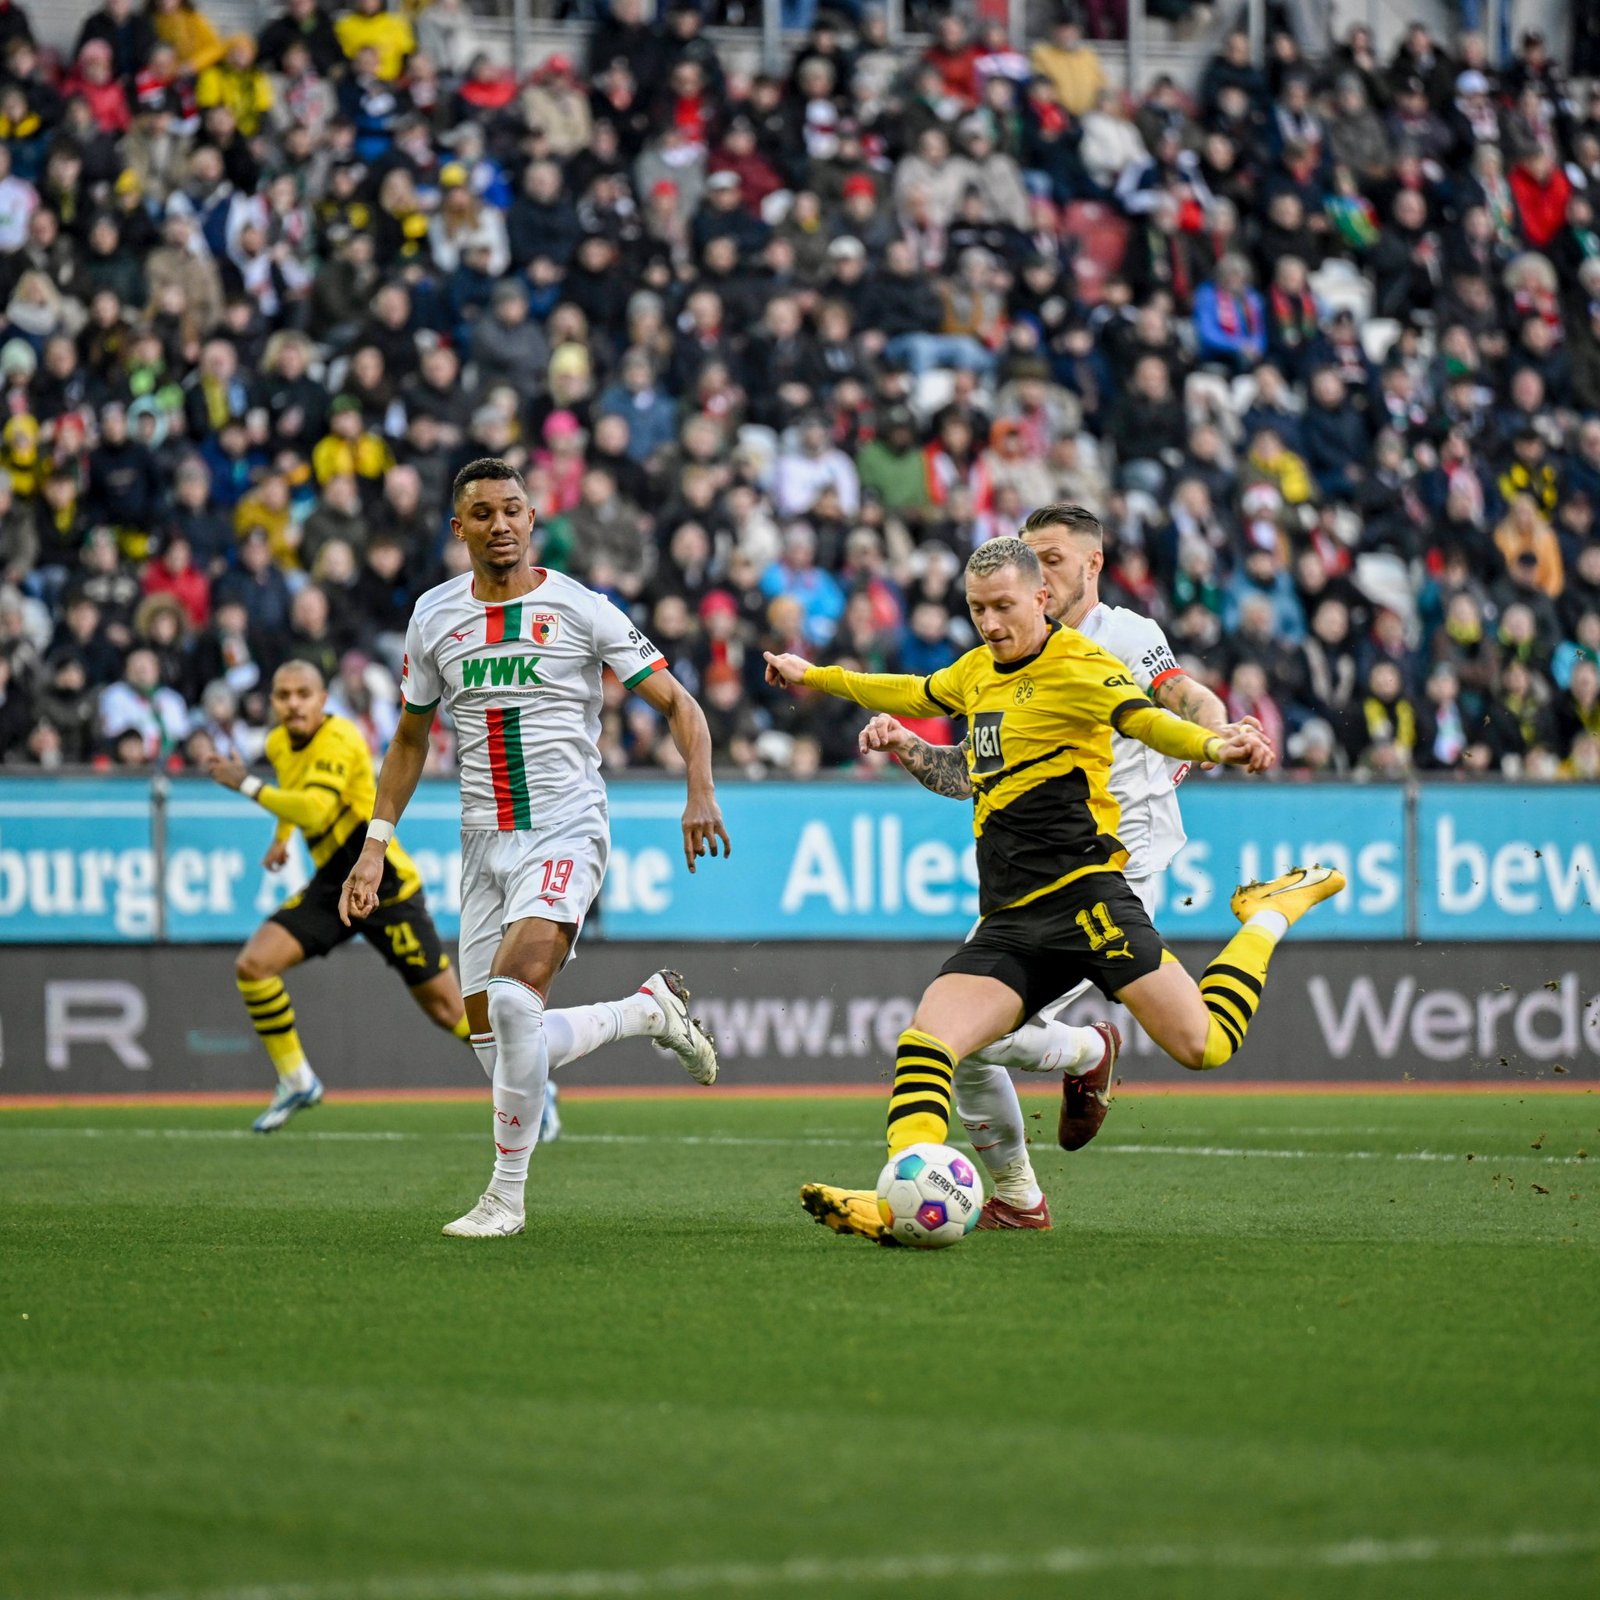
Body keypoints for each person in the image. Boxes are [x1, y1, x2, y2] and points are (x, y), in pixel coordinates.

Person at [762, 536, 1344, 1245]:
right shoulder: (977, 671)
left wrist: (1213, 744)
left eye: (1003, 605)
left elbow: (1146, 720)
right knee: (927, 1041)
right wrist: (812, 675)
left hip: (1089, 902)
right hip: (1010, 917)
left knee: (1205, 1046)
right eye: (977, 609)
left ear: (1041, 598)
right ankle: (898, 1191)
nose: (990, 622)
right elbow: (909, 691)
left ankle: (1266, 917)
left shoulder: (1083, 664)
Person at [339, 459, 731, 1239]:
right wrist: (373, 844)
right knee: (502, 1052)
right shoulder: (433, 618)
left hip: (566, 825)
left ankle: (504, 1199)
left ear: (532, 516)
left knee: (517, 1004)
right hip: (482, 844)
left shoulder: (582, 609)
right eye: (483, 514)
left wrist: (700, 788)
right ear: (461, 529)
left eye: (513, 509)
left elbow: (678, 701)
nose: (502, 525)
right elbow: (410, 739)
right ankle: (645, 1011)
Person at [859, 503, 1247, 1229]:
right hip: (1027, 878)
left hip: (1113, 869)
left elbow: (1184, 696)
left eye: (1056, 559)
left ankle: (1079, 1059)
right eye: (1030, 559)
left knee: (988, 1037)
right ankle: (1021, 1187)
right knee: (960, 1046)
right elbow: (973, 772)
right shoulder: (1004, 657)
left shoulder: (1124, 636)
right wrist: (906, 745)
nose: (1042, 571)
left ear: (1091, 566)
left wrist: (1217, 734)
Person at [204, 660, 471, 1133]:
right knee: (253, 966)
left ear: (322, 699)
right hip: (334, 883)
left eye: (303, 693)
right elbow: (296, 796)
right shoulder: (277, 744)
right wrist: (282, 838)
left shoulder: (342, 738)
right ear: (272, 702)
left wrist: (244, 784)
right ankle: (297, 1080)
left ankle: (534, 1085)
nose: (293, 704)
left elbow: (316, 806)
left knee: (449, 1010)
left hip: (383, 882)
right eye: (283, 695)